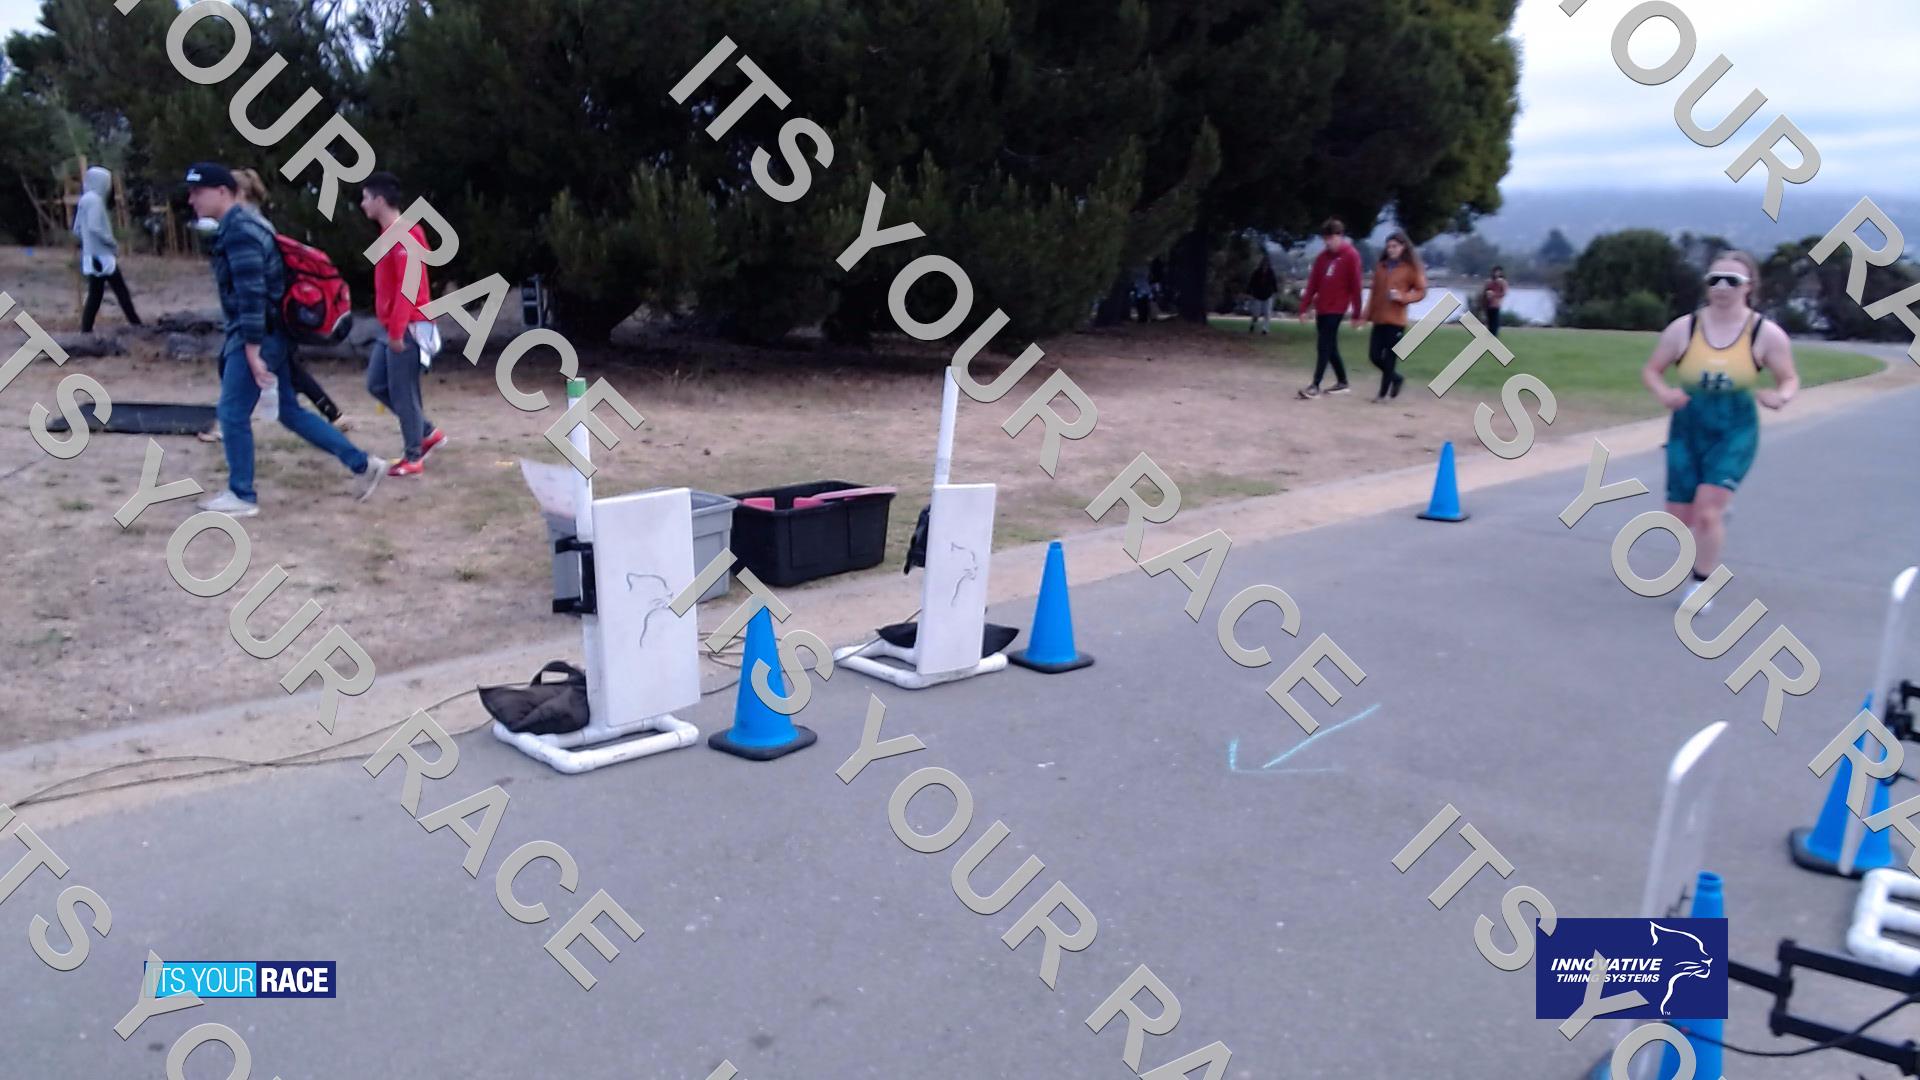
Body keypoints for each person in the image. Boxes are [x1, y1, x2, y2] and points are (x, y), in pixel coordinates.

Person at [184, 162, 385, 517]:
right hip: (273, 333)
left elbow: (252, 294)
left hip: (258, 335)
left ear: (223, 192)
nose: (191, 200)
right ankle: (362, 464)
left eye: (198, 192)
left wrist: (251, 348)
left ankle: (242, 495)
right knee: (288, 411)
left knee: (232, 412)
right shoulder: (251, 224)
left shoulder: (239, 232)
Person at [1640, 251, 1799, 612]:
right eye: (1714, 280)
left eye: (1732, 280)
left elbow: (1788, 378)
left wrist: (1781, 396)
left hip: (1735, 428)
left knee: (1707, 512)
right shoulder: (1684, 329)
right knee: (1679, 517)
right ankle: (1714, 510)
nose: (1722, 287)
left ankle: (1700, 584)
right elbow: (1652, 370)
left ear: (1749, 286)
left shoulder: (1765, 333)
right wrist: (1664, 393)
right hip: (1688, 425)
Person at [198, 168, 352, 443]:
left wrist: (251, 341)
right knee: (289, 399)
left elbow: (252, 290)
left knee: (243, 405)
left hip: (262, 326)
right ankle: (352, 448)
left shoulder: (243, 229)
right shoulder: (257, 224)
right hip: (273, 322)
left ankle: (234, 453)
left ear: (236, 193)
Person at [358, 171, 446, 476]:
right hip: (394, 325)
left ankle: (413, 456)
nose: (362, 204)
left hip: (409, 325)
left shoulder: (406, 235)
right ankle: (426, 432)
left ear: (380, 200)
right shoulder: (389, 236)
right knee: (377, 384)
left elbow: (407, 289)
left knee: (402, 391)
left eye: (366, 198)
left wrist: (397, 330)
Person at [1296, 218, 1363, 397]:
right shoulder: (1322, 258)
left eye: (1331, 238)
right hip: (1322, 308)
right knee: (1330, 346)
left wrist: (1357, 314)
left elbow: (1356, 287)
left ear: (1340, 236)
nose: (1328, 243)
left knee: (1323, 345)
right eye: (1325, 239)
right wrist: (1304, 308)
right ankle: (1342, 382)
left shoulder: (1351, 256)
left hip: (1337, 308)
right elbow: (1313, 284)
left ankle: (1315, 385)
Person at [73, 166, 142, 334]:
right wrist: (111, 243)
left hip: (90, 255)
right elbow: (95, 227)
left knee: (96, 294)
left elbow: (77, 229)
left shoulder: (84, 200)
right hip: (102, 255)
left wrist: (87, 244)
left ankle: (86, 330)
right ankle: (136, 325)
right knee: (119, 290)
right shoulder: (95, 201)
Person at [1364, 230, 1427, 402]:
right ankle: (1396, 378)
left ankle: (1382, 394)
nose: (1391, 249)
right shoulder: (1381, 266)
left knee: (1390, 358)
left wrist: (1403, 297)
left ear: (1403, 247)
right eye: (1389, 246)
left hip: (1396, 321)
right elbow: (1374, 292)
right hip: (1379, 318)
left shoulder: (1411, 268)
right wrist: (1366, 313)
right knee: (1374, 356)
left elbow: (1421, 292)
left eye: (1395, 246)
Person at [1246, 253, 1279, 334]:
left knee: (1267, 313)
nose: (1265, 266)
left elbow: (1274, 283)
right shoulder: (1257, 272)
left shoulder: (1271, 273)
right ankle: (1253, 324)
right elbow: (1251, 283)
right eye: (1264, 264)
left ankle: (1265, 329)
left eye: (1266, 265)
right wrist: (1249, 292)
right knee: (1256, 313)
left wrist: (1275, 292)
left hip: (1268, 295)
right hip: (1257, 295)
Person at [1482, 266, 1509, 338]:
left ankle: (1494, 335)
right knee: (1489, 321)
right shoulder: (1488, 282)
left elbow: (1504, 293)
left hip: (1496, 304)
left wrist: (1494, 294)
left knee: (1495, 321)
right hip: (1488, 304)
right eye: (1495, 272)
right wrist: (1484, 300)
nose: (1496, 273)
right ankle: (1490, 335)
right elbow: (1484, 292)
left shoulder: (1502, 282)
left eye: (1498, 272)